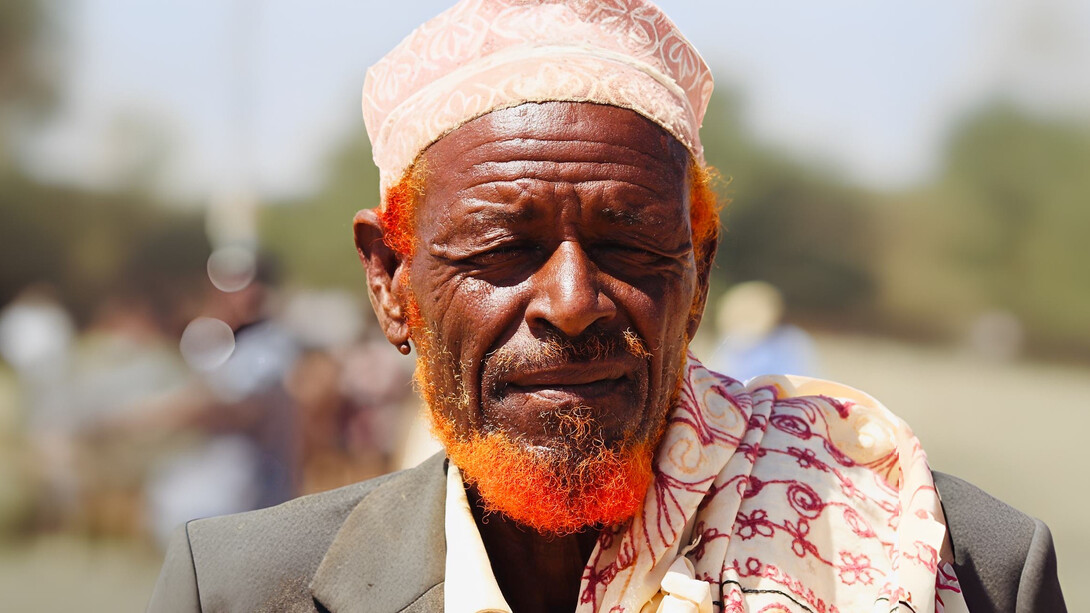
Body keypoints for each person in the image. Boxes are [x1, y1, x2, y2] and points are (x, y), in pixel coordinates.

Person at [147, 1, 1065, 611]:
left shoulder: (965, 563)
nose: (575, 302)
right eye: (505, 249)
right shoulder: (239, 587)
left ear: (697, 275)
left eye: (629, 245)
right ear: (391, 281)